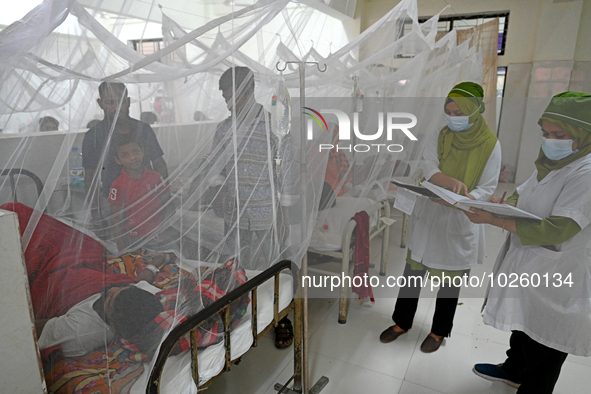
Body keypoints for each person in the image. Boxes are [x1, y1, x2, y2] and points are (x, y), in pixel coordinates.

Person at [466, 92, 591, 393]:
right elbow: (524, 193)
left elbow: (560, 229)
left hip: (560, 272)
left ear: (583, 135)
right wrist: (502, 204)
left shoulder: (585, 172)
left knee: (545, 346)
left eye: (559, 135)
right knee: (523, 328)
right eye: (546, 133)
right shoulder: (550, 163)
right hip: (532, 264)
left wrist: (493, 219)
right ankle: (513, 369)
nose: (550, 141)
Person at [380, 82, 501, 353]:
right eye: (449, 111)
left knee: (449, 282)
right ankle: (402, 323)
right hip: (430, 212)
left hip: (460, 218)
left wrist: (460, 199)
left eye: (459, 112)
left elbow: (488, 187)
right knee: (413, 273)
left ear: (474, 110)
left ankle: (438, 331)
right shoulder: (440, 134)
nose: (453, 117)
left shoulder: (491, 145)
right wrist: (443, 179)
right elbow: (428, 164)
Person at [211, 66, 295, 348]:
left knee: (271, 270)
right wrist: (222, 193)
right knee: (237, 272)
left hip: (266, 213)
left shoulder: (273, 125)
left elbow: (286, 171)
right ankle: (242, 326)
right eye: (225, 98)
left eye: (233, 96)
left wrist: (283, 213)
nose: (230, 103)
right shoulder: (223, 129)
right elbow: (217, 170)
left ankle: (282, 320)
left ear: (249, 91)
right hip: (235, 216)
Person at [35, 256, 168, 358]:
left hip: (52, 277)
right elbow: (141, 282)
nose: (112, 290)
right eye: (120, 289)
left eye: (109, 299)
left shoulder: (80, 332)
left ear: (112, 328)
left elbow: (32, 329)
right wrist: (155, 264)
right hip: (79, 262)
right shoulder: (145, 302)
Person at [82, 82, 168, 221]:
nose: (116, 108)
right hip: (114, 202)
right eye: (110, 103)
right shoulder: (94, 136)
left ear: (128, 102)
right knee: (119, 240)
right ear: (100, 103)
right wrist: (96, 212)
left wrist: (165, 198)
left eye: (121, 102)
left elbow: (159, 164)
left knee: (151, 239)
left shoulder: (143, 129)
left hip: (148, 198)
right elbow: (90, 177)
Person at [108, 132, 172, 251]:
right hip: (133, 237)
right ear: (118, 160)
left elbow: (168, 204)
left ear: (143, 152)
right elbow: (115, 217)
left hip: (158, 234)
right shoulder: (118, 184)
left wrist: (164, 230)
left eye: (136, 152)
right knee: (138, 265)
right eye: (125, 155)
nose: (133, 158)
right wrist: (121, 244)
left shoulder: (156, 177)